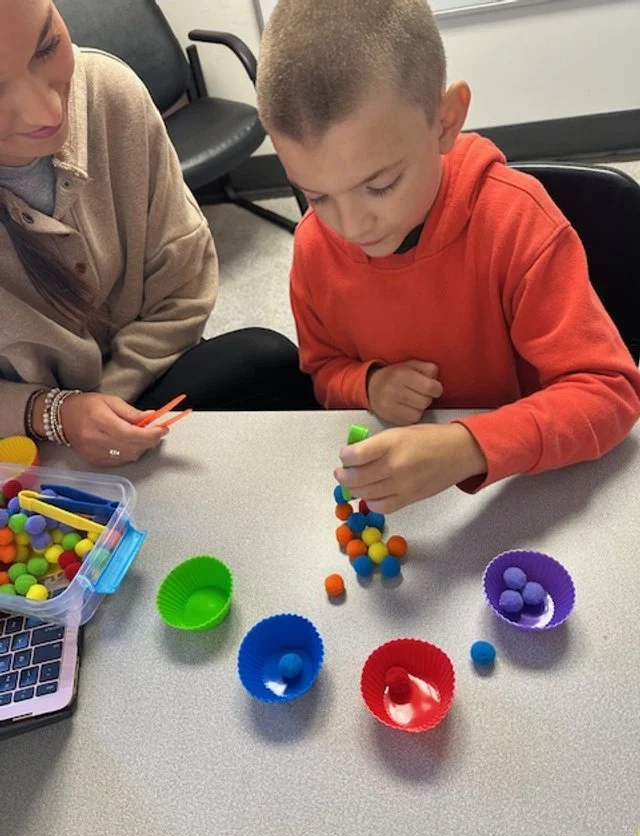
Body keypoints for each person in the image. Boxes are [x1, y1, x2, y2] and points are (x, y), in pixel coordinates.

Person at [256, 0, 640, 513]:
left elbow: (610, 393)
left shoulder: (515, 223)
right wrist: (368, 384)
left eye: (381, 184)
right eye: (315, 195)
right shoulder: (313, 247)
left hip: (523, 487)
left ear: (445, 121)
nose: (349, 227)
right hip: (414, 506)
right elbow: (323, 371)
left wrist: (468, 446)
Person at [0, 0, 316, 468]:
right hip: (21, 433)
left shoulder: (109, 92)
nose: (46, 110)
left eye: (48, 46)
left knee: (267, 363)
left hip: (142, 387)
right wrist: (53, 415)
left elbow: (184, 285)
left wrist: (107, 407)